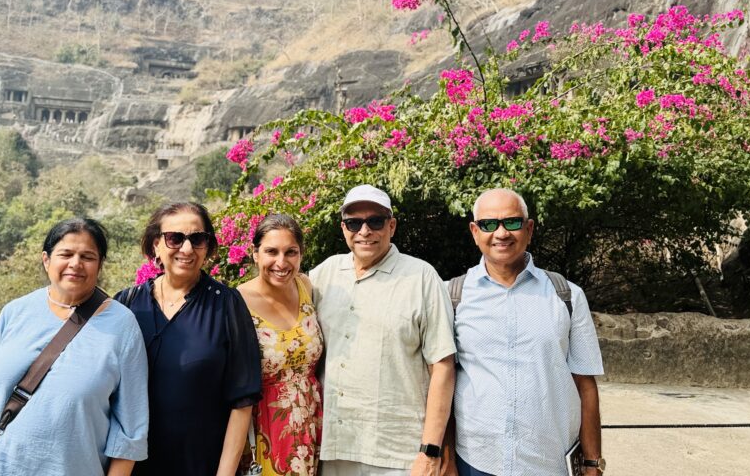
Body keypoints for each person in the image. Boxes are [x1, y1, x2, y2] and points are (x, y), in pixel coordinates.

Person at [0, 217, 149, 476]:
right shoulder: (15, 312)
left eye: (87, 257)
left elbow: (130, 431)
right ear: (46, 260)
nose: (75, 264)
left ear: (100, 265)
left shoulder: (122, 326)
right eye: (66, 254)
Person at [447, 188, 604, 476]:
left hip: (549, 462)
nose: (502, 233)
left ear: (529, 229)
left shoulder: (567, 296)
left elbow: (585, 383)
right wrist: (443, 456)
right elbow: (440, 382)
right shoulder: (452, 296)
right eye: (489, 224)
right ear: (474, 231)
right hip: (475, 461)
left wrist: (593, 462)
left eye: (513, 222)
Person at [310, 184, 456, 476]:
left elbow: (442, 367)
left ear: (391, 225)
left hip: (398, 453)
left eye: (374, 221)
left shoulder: (421, 277)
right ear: (343, 228)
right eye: (354, 222)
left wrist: (431, 451)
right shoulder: (324, 275)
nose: (364, 231)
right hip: (334, 448)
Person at [115, 202, 262, 476]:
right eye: (175, 238)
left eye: (197, 239)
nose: (186, 249)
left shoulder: (227, 305)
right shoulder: (127, 304)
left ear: (208, 247)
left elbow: (242, 402)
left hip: (201, 463)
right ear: (156, 244)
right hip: (131, 465)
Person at [238, 214, 324, 476]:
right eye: (271, 252)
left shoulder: (305, 286)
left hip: (313, 420)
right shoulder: (238, 301)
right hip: (265, 429)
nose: (281, 262)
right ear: (255, 254)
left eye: (291, 252)